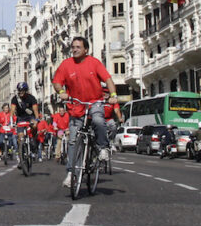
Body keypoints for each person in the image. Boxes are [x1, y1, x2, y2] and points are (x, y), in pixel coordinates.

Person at [52, 36, 123, 188]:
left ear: (86, 50)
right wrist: (62, 91)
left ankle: (103, 147)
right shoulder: (66, 64)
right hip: (76, 106)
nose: (74, 49)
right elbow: (57, 81)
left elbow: (108, 80)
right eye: (73, 47)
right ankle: (71, 173)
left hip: (94, 102)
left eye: (78, 47)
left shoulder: (94, 62)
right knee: (72, 140)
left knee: (98, 121)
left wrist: (113, 96)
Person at [10, 81, 40, 153]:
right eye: (19, 90)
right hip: (20, 118)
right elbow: (12, 110)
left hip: (30, 117)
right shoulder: (15, 99)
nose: (21, 92)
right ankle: (21, 154)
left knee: (34, 126)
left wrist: (36, 119)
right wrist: (11, 121)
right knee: (20, 137)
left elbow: (35, 110)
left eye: (22, 90)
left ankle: (33, 138)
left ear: (26, 90)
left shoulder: (31, 98)